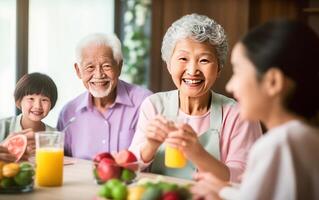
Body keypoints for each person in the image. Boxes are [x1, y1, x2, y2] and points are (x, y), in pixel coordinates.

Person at [191, 20, 319, 200]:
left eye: (237, 72)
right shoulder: (310, 139)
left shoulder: (277, 144)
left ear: (272, 82)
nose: (230, 86)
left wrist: (220, 195)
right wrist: (225, 191)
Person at [129, 13, 262, 182]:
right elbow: (130, 169)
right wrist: (150, 145)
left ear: (219, 67)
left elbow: (243, 179)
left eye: (204, 60)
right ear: (169, 64)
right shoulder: (154, 105)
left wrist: (197, 153)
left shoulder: (237, 114)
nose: (192, 71)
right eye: (183, 58)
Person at [57, 33, 152, 160]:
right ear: (78, 71)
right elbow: (61, 162)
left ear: (119, 66)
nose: (98, 75)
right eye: (90, 67)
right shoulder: (68, 113)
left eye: (106, 66)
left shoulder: (145, 102)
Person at [0, 72, 58, 157]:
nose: (38, 106)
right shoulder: (3, 126)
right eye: (31, 98)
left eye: (44, 100)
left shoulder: (55, 135)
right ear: (19, 101)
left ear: (51, 104)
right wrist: (6, 146)